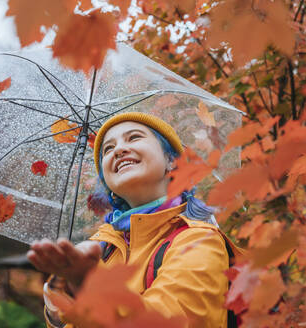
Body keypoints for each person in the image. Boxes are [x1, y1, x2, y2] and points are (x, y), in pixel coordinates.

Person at [27, 112, 241, 328]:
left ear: (171, 160)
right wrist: (58, 310)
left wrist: (93, 286)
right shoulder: (101, 247)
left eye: (134, 137)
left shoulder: (199, 239)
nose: (118, 150)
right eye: (108, 149)